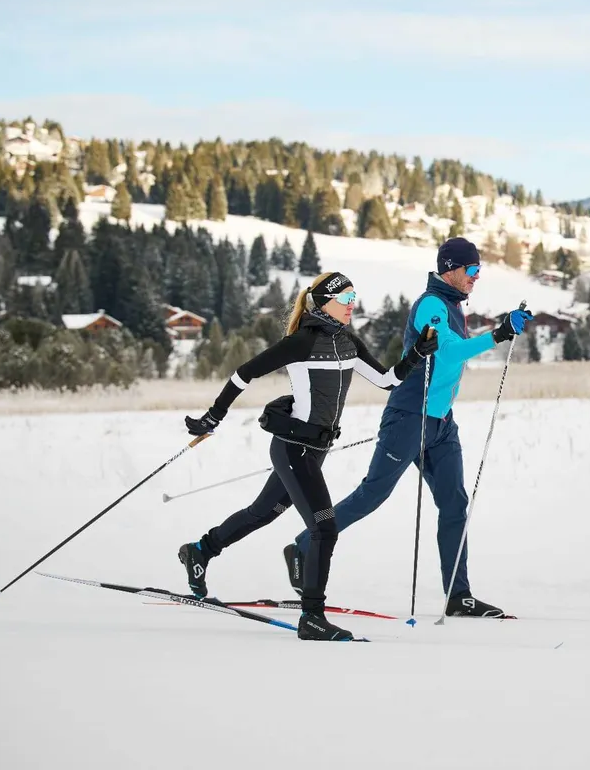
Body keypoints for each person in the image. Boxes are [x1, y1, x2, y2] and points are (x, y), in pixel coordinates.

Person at [177, 271, 438, 641]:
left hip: (316, 450)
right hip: (293, 448)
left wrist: (415, 354)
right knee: (325, 527)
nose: (352, 306)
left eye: (354, 298)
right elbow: (243, 374)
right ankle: (312, 617)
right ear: (323, 304)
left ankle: (200, 550)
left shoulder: (348, 342)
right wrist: (213, 416)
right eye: (345, 300)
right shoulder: (301, 343)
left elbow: (387, 381)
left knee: (263, 512)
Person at [285, 237, 534, 618]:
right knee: (371, 495)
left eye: (478, 270)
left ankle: (458, 594)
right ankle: (304, 544)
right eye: (471, 270)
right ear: (449, 268)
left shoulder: (452, 306)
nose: (476, 276)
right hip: (407, 417)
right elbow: (447, 351)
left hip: (441, 425)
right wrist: (499, 333)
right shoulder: (431, 305)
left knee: (454, 503)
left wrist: (501, 330)